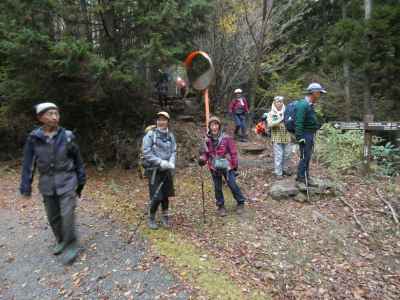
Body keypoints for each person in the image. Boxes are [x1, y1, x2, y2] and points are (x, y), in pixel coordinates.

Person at [19, 102, 86, 265]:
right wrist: (25, 186)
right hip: (47, 183)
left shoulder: (68, 136)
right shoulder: (34, 138)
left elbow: (78, 160)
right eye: (50, 114)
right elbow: (28, 163)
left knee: (67, 215)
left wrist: (81, 180)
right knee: (53, 217)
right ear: (40, 117)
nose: (55, 117)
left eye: (57, 113)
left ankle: (71, 245)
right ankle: (61, 240)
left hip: (67, 181)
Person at [198, 116, 246, 217]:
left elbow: (233, 152)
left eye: (216, 125)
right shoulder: (207, 140)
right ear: (209, 127)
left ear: (219, 126)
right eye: (212, 125)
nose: (214, 127)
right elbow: (205, 153)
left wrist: (234, 165)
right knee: (217, 187)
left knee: (232, 184)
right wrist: (202, 159)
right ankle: (221, 206)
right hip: (214, 166)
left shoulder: (226, 138)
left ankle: (240, 202)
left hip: (227, 165)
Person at [142, 111, 176, 229]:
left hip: (167, 170)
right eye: (159, 119)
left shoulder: (170, 135)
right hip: (154, 170)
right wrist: (160, 162)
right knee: (156, 196)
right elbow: (146, 152)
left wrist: (171, 162)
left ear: (168, 122)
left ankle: (165, 217)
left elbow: (173, 150)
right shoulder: (150, 135)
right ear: (156, 121)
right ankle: (151, 217)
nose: (161, 122)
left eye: (164, 120)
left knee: (166, 195)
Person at [295, 83, 326, 186]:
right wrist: (299, 137)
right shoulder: (303, 105)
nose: (320, 95)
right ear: (314, 93)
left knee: (307, 156)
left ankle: (305, 176)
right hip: (305, 135)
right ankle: (301, 177)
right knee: (305, 156)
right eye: (319, 93)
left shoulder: (309, 104)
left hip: (309, 134)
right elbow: (298, 122)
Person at [267, 96, 293, 179]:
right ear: (274, 102)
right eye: (278, 102)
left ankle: (285, 169)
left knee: (288, 154)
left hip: (287, 136)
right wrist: (280, 120)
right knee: (279, 156)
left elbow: (292, 121)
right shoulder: (271, 113)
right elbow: (269, 124)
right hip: (276, 137)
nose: (280, 103)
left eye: (281, 101)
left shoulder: (287, 112)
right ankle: (278, 173)